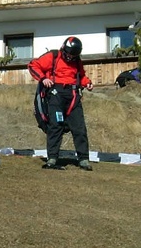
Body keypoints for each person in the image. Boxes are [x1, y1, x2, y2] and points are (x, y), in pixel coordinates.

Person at [28, 36, 94, 171]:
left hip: (73, 96)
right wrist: (43, 79)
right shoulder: (52, 56)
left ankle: (83, 159)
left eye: (73, 56)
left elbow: (80, 76)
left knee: (79, 127)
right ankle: (52, 158)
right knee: (55, 126)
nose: (70, 58)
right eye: (68, 54)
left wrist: (87, 83)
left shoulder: (77, 62)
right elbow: (33, 65)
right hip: (55, 94)